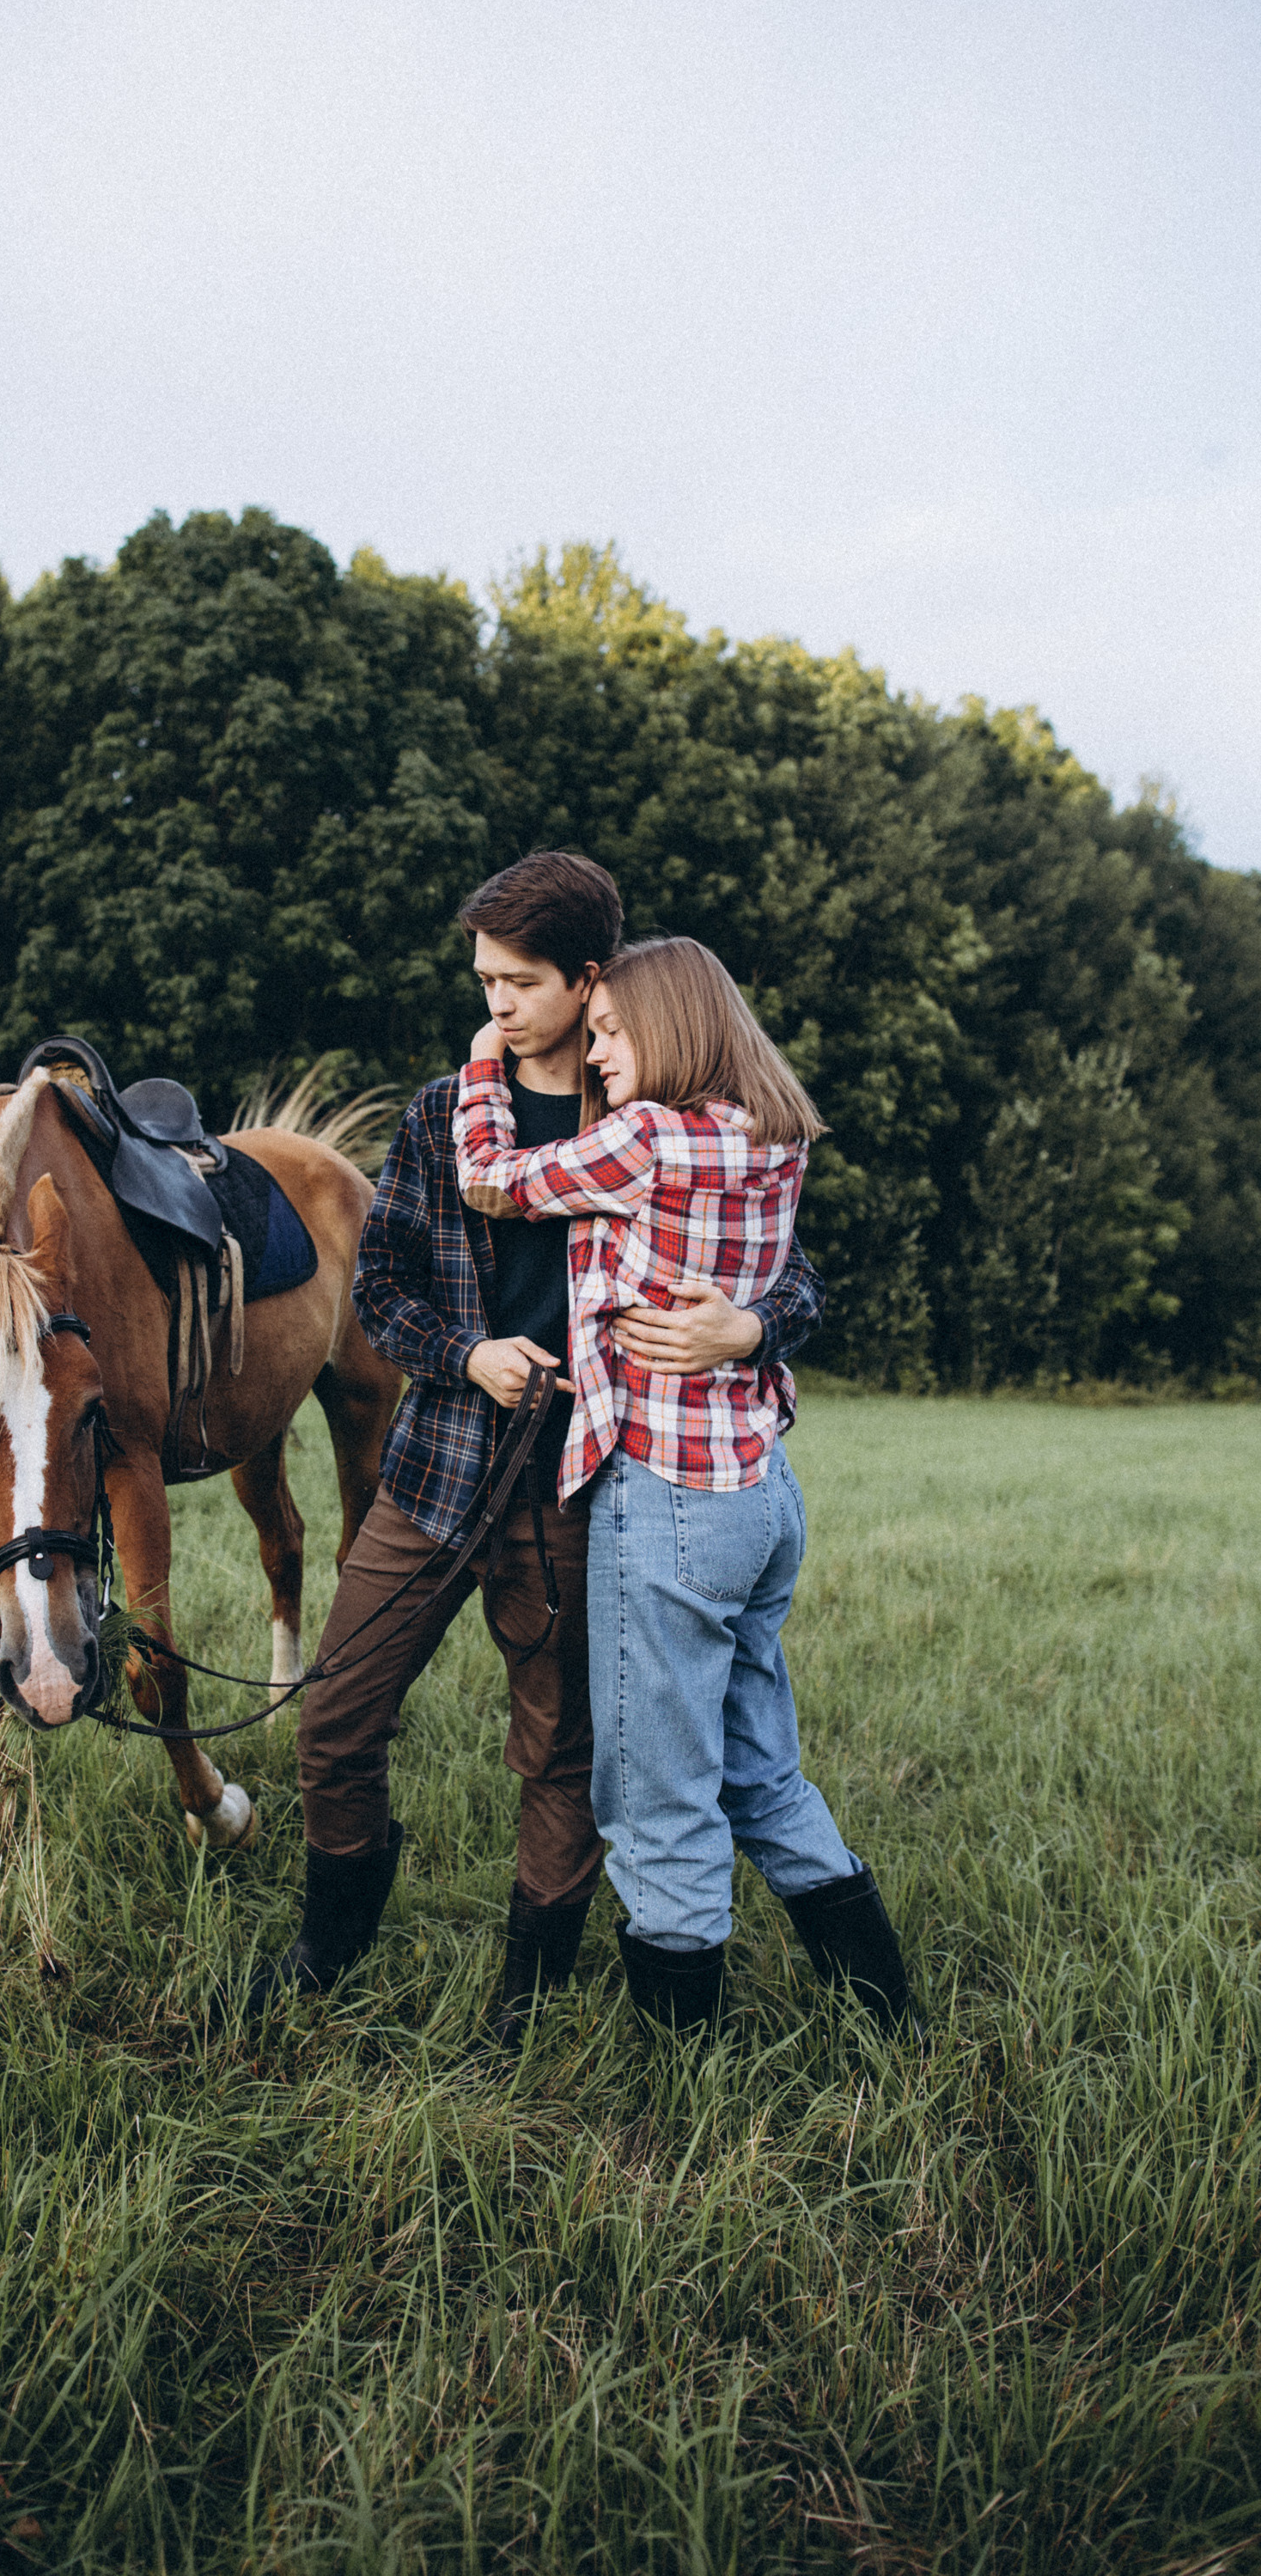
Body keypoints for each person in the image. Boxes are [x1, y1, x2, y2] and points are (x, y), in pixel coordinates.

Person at [253, 853, 829, 2042]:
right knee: (336, 1718)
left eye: (519, 982)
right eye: (484, 981)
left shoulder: (656, 1115)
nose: (496, 1004)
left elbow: (792, 1274)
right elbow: (384, 1295)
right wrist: (467, 1353)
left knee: (560, 1747)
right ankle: (331, 1940)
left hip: (593, 1486)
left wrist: (751, 1325)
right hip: (436, 1472)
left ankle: (527, 1990)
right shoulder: (442, 1114)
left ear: (588, 980)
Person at [454, 934, 918, 2042]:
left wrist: (483, 1064)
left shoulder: (649, 1139)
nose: (602, 1054)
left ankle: (684, 2074)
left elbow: (491, 1181)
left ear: (669, 1028)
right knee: (761, 1770)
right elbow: (779, 1280)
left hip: (666, 1496)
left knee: (655, 1800)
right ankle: (887, 2013)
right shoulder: (774, 1133)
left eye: (614, 1033)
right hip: (759, 1487)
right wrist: (749, 1328)